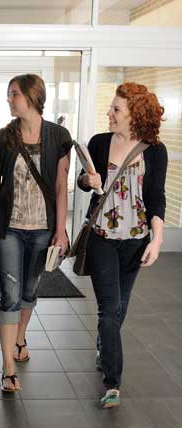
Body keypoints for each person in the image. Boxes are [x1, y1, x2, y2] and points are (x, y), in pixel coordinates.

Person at [77, 82, 167, 408]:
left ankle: (104, 345)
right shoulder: (100, 143)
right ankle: (112, 383)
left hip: (136, 241)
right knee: (109, 308)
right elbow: (84, 180)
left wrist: (156, 240)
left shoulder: (155, 150)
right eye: (111, 107)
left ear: (135, 115)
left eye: (116, 109)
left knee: (120, 307)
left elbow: (156, 197)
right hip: (102, 238)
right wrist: (87, 180)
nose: (109, 113)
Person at [0, 74, 71, 392]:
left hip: (43, 231)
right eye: (8, 95)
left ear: (32, 97)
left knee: (30, 292)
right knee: (9, 297)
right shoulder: (1, 138)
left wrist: (60, 231)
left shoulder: (59, 137)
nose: (9, 100)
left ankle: (20, 337)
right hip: (9, 229)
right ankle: (7, 368)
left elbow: (60, 187)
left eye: (14, 94)